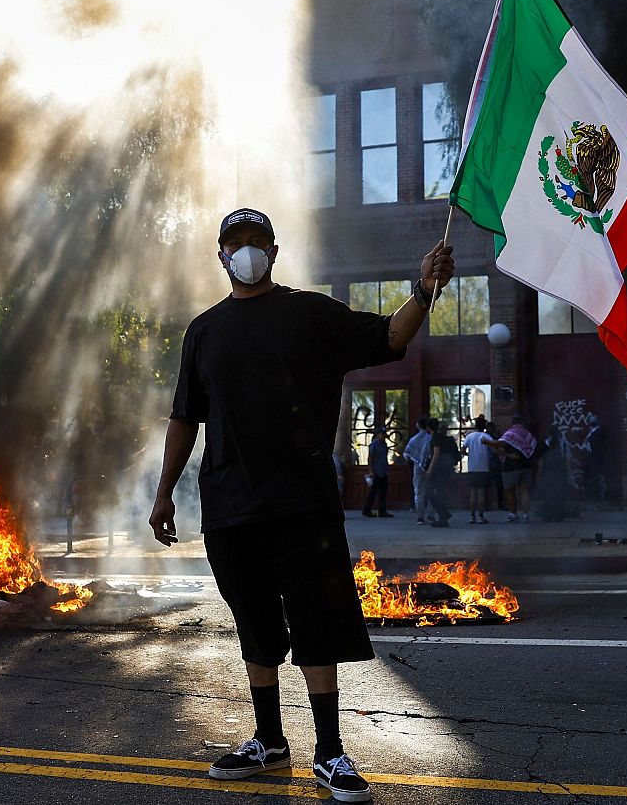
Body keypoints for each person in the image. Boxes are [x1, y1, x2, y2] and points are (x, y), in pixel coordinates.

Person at [149, 207, 453, 802]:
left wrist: (424, 289)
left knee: (316, 622)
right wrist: (164, 492)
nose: (245, 251)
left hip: (303, 504)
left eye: (255, 241)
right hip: (231, 506)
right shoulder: (203, 332)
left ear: (274, 250)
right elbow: (185, 416)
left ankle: (331, 752)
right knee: (255, 624)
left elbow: (389, 338)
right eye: (234, 243)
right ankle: (268, 740)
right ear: (220, 256)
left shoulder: (310, 315)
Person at [494, 416, 537, 522]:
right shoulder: (527, 434)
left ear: (512, 423)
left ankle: (513, 513)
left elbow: (500, 444)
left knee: (509, 491)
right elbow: (532, 446)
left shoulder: (509, 434)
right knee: (524, 490)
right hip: (526, 466)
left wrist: (487, 442)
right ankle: (526, 514)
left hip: (510, 468)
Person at [423, 418, 458, 527]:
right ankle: (443, 516)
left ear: (428, 427)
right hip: (445, 468)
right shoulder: (443, 437)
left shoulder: (435, 438)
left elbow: (436, 453)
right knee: (440, 492)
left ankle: (443, 515)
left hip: (438, 469)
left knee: (430, 492)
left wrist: (430, 469)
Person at [462, 417, 497, 524]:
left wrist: (470, 455)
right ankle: (481, 516)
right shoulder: (486, 436)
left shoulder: (470, 436)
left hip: (473, 467)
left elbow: (463, 450)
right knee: (482, 493)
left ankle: (472, 516)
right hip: (484, 467)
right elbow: (494, 450)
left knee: (473, 492)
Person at [404, 417, 434, 525]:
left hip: (417, 467)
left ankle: (420, 517)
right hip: (430, 467)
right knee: (431, 491)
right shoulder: (431, 438)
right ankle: (430, 515)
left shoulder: (413, 439)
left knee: (419, 492)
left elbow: (407, 454)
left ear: (418, 425)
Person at [362, 431, 393, 518]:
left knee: (383, 492)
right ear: (378, 434)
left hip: (383, 471)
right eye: (382, 434)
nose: (383, 436)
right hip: (376, 471)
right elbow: (370, 458)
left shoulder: (384, 444)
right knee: (373, 492)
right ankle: (367, 510)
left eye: (384, 434)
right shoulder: (374, 444)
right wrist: (371, 471)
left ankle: (382, 510)